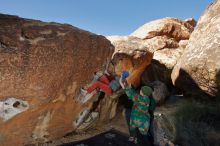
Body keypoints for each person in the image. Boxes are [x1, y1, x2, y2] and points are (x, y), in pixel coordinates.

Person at [119, 75, 155, 146]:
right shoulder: (145, 98)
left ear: (143, 93)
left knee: (143, 138)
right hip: (142, 121)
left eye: (141, 90)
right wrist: (128, 85)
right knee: (141, 135)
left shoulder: (142, 99)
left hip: (140, 122)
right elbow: (134, 94)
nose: (140, 91)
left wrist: (122, 84)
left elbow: (131, 95)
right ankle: (137, 139)